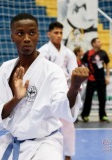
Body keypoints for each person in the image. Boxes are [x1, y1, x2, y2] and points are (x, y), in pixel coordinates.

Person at [0, 13, 88, 160]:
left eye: (31, 33)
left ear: (38, 35)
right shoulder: (6, 69)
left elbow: (63, 110)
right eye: (20, 33)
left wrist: (74, 87)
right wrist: (16, 99)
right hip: (11, 142)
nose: (26, 38)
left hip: (44, 144)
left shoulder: (52, 70)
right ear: (12, 37)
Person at [38, 21, 78, 160]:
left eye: (61, 33)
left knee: (68, 124)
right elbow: (40, 73)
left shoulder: (69, 53)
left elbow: (74, 73)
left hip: (63, 92)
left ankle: (68, 155)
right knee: (43, 123)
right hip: (46, 92)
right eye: (56, 33)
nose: (59, 35)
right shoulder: (43, 51)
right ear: (49, 34)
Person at [81, 37, 110, 123]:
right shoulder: (88, 54)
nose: (100, 43)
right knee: (88, 98)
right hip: (91, 79)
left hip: (101, 79)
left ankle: (103, 115)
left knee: (102, 98)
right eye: (98, 41)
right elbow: (82, 63)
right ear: (93, 44)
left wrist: (107, 76)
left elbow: (107, 64)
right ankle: (85, 115)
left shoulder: (103, 53)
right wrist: (85, 72)